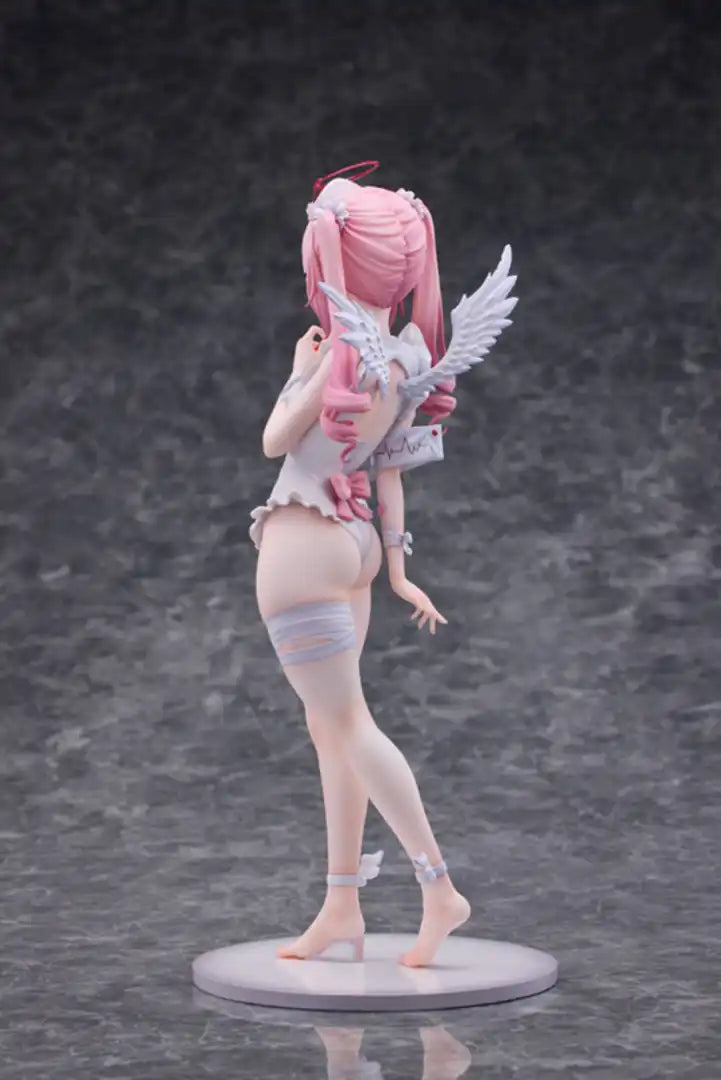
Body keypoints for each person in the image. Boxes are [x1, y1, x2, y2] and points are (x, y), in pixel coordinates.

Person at [249, 163, 516, 966]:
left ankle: (439, 887)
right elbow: (389, 468)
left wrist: (300, 372)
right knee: (328, 724)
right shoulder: (407, 353)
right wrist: (396, 568)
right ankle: (342, 904)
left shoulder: (339, 353)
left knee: (347, 724)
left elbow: (273, 440)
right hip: (358, 541)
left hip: (305, 541)